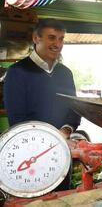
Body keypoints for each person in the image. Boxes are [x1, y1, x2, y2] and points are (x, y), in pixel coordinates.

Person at [4, 18, 80, 190]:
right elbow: (17, 120)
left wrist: (66, 131)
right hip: (32, 155)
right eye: (51, 38)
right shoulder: (17, 72)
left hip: (62, 151)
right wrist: (52, 138)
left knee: (62, 198)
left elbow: (74, 109)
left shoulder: (65, 73)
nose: (57, 44)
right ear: (36, 38)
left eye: (61, 39)